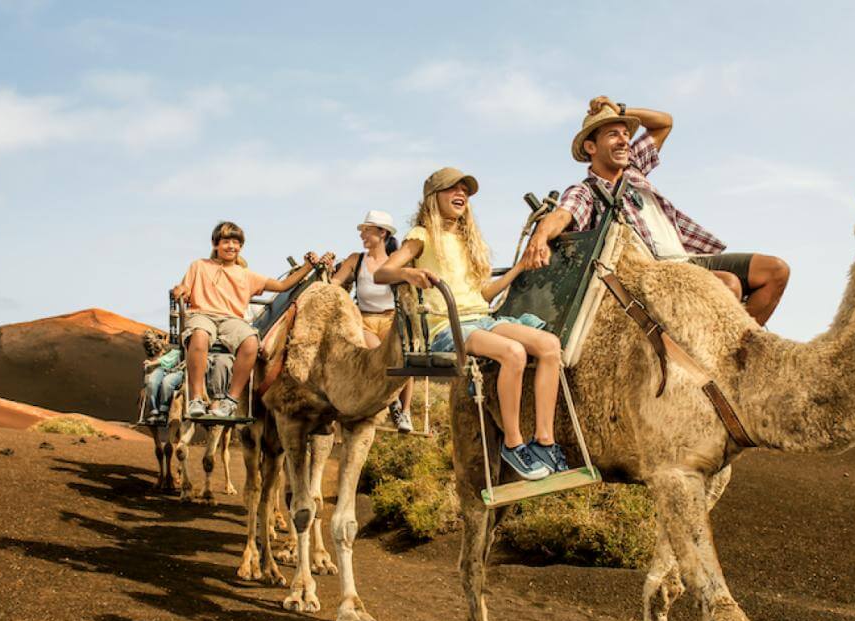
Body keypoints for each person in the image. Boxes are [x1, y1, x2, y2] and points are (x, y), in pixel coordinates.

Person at [523, 96, 791, 326]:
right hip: (654, 273)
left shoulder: (633, 168)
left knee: (775, 271)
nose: (624, 141)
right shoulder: (588, 192)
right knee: (727, 285)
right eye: (613, 134)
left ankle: (742, 354)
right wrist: (540, 236)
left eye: (626, 134)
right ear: (591, 147)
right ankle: (718, 361)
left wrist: (621, 111)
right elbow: (563, 214)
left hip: (687, 259)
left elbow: (664, 123)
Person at [374, 168, 568, 480]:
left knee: (549, 346)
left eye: (464, 189)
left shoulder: (467, 241)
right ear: (433, 198)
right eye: (452, 188)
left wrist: (520, 267)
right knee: (514, 353)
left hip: (481, 318)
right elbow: (381, 273)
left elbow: (484, 293)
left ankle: (544, 441)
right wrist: (409, 274)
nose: (460, 193)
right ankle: (513, 443)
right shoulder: (421, 236)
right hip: (447, 326)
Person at [170, 221, 332, 418]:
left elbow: (282, 286)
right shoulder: (199, 266)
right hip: (202, 314)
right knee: (200, 335)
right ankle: (196, 398)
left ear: (241, 247)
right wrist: (180, 290)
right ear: (215, 244)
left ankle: (231, 400)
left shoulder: (246, 275)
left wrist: (308, 267)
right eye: (226, 241)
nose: (231, 246)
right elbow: (184, 288)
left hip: (231, 320)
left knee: (251, 341)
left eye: (236, 243)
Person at [329, 209, 415, 433]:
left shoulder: (395, 262)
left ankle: (404, 412)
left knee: (405, 356)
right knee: (377, 352)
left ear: (382, 233)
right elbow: (334, 285)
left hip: (390, 319)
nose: (362, 235)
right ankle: (391, 401)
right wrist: (327, 273)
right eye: (363, 231)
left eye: (367, 231)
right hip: (364, 319)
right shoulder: (356, 260)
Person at [141, 330, 182, 424]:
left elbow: (170, 358)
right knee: (151, 381)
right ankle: (153, 411)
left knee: (167, 382)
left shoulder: (177, 344)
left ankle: (164, 411)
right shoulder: (162, 346)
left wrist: (152, 363)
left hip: (177, 370)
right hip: (161, 369)